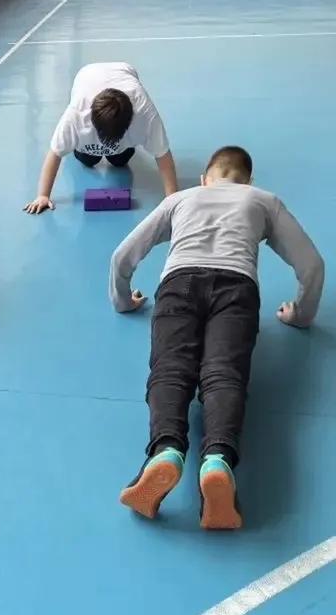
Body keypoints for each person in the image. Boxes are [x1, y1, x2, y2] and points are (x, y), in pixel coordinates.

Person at [110, 145, 324, 530]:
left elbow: (122, 255)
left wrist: (123, 300)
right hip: (237, 288)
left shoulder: (181, 199)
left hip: (179, 283)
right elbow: (312, 265)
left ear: (204, 179)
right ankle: (218, 460)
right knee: (224, 373)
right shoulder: (263, 200)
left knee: (171, 369)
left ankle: (166, 450)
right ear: (248, 181)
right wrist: (300, 314)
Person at [24, 62, 178, 214]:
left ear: (129, 123)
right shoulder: (76, 115)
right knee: (88, 160)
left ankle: (119, 151)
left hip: (124, 72)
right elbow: (55, 152)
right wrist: (43, 195)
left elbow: (162, 154)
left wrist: (171, 198)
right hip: (87, 74)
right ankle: (88, 152)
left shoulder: (145, 113)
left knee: (119, 160)